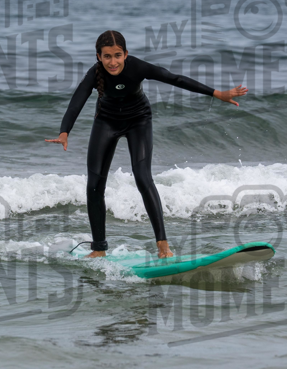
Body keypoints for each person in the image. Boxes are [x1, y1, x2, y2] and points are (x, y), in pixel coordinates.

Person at [46, 30, 247, 258]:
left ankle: (163, 245)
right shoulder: (95, 74)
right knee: (94, 185)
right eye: (107, 57)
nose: (113, 62)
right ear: (99, 57)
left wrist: (216, 93)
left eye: (117, 55)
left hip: (138, 120)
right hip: (106, 122)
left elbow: (174, 78)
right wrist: (65, 131)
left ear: (126, 54)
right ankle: (99, 249)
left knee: (143, 177)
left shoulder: (138, 67)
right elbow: (77, 100)